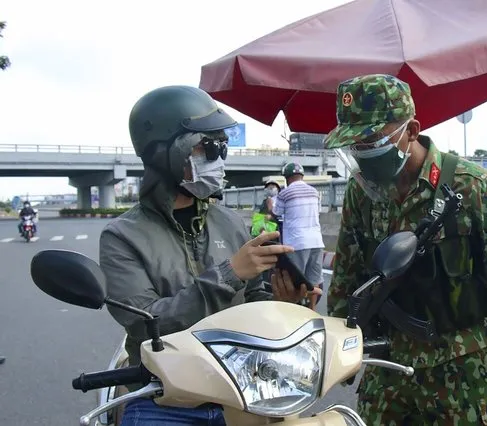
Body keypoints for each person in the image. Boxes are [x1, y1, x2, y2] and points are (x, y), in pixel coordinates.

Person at [99, 85, 321, 426]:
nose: (219, 158)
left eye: (223, 145)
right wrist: (229, 274)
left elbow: (254, 300)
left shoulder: (229, 221)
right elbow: (147, 325)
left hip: (244, 385)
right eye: (208, 146)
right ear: (163, 153)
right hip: (166, 396)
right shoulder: (122, 237)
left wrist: (284, 303)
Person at [324, 74, 487, 426]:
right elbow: (347, 275)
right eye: (355, 146)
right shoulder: (360, 194)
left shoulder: (474, 189)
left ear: (411, 130)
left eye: (373, 140)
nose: (363, 153)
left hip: (461, 367)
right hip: (388, 363)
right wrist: (339, 353)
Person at [272, 163, 325, 310]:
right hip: (316, 241)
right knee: (314, 279)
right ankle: (312, 309)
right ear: (302, 176)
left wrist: (271, 206)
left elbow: (276, 213)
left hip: (296, 242)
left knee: (295, 280)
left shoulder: (285, 193)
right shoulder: (314, 192)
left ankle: (296, 311)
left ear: (287, 178)